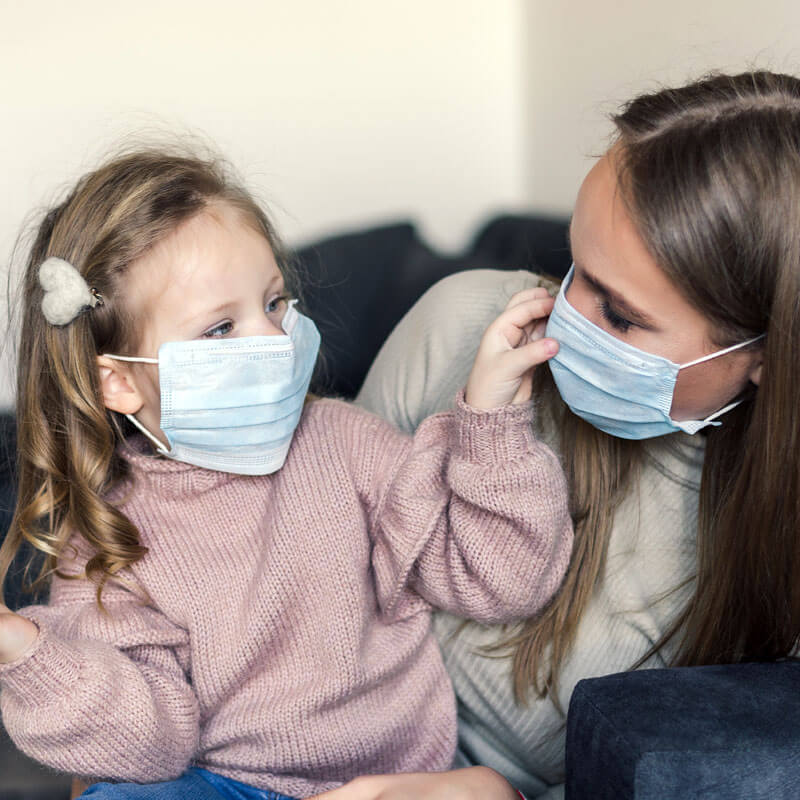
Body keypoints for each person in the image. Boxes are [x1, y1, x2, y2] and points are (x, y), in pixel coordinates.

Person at [0, 148, 574, 799]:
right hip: (223, 784)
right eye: (221, 329)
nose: (273, 339)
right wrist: (20, 647)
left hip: (391, 780)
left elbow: (503, 583)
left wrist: (492, 424)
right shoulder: (109, 536)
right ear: (119, 382)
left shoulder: (348, 442)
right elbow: (151, 744)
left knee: (479, 795)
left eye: (274, 303)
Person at [313, 70, 800, 799]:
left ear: (766, 352)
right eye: (575, 266)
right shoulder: (463, 318)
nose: (564, 322)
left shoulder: (773, 536)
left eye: (622, 316)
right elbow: (305, 564)